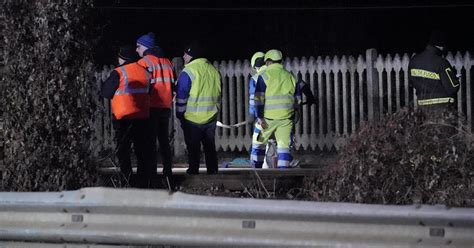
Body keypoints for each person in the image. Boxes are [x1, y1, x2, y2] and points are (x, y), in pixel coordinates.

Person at [100, 46, 155, 188]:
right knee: (142, 150)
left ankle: (127, 179)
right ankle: (144, 180)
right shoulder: (145, 72)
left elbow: (106, 92)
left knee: (123, 151)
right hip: (142, 117)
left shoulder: (119, 72)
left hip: (123, 118)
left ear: (122, 58)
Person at [175, 42, 222, 175]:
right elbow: (219, 92)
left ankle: (193, 172)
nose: (183, 56)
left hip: (192, 118)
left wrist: (180, 114)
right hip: (211, 116)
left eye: (185, 54)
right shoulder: (214, 70)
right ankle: (213, 172)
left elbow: (181, 96)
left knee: (193, 148)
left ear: (191, 55)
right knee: (210, 147)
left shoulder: (188, 71)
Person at [251, 49, 300, 168]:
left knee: (258, 144)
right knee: (284, 148)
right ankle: (284, 177)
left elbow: (258, 99)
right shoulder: (291, 76)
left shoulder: (264, 76)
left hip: (267, 121)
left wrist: (259, 117)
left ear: (268, 62)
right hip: (286, 120)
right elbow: (297, 100)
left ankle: (255, 174)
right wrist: (293, 116)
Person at [136, 32, 175, 177]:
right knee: (164, 141)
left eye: (138, 46)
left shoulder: (144, 63)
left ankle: (150, 173)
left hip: (150, 108)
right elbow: (172, 84)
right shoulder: (167, 62)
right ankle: (167, 171)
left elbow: (142, 86)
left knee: (149, 142)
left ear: (146, 47)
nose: (136, 50)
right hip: (165, 107)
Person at [408, 30, 460, 116]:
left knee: (427, 129)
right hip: (442, 109)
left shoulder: (413, 61)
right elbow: (453, 88)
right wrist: (455, 78)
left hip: (422, 108)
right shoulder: (442, 62)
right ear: (440, 46)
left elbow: (412, 82)